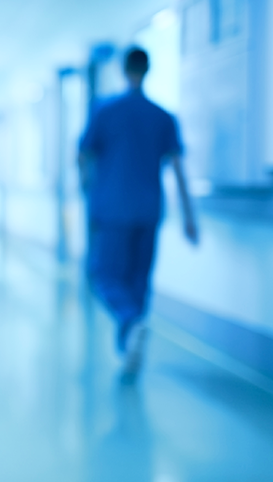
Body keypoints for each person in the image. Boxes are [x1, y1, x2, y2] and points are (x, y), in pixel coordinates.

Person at [79, 46, 198, 375]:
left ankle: (130, 324)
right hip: (148, 210)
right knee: (138, 281)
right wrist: (189, 217)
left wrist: (88, 190)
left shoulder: (104, 111)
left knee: (104, 275)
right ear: (148, 70)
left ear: (123, 70)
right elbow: (177, 168)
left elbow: (83, 156)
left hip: (112, 209)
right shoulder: (163, 116)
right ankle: (130, 345)